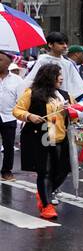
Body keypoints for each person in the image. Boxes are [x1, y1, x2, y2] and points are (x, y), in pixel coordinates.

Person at [11, 63, 74, 219]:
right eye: (57, 75)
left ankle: (44, 192)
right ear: (48, 77)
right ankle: (47, 205)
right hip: (44, 134)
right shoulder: (32, 93)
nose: (61, 78)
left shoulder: (65, 95)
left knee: (63, 169)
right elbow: (17, 110)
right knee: (44, 171)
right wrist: (29, 116)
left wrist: (73, 111)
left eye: (61, 75)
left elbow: (75, 113)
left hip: (61, 135)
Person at [0, 51, 22, 181]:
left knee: (9, 146)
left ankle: (6, 171)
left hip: (9, 117)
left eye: (1, 60)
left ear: (9, 62)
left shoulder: (17, 80)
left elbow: (21, 100)